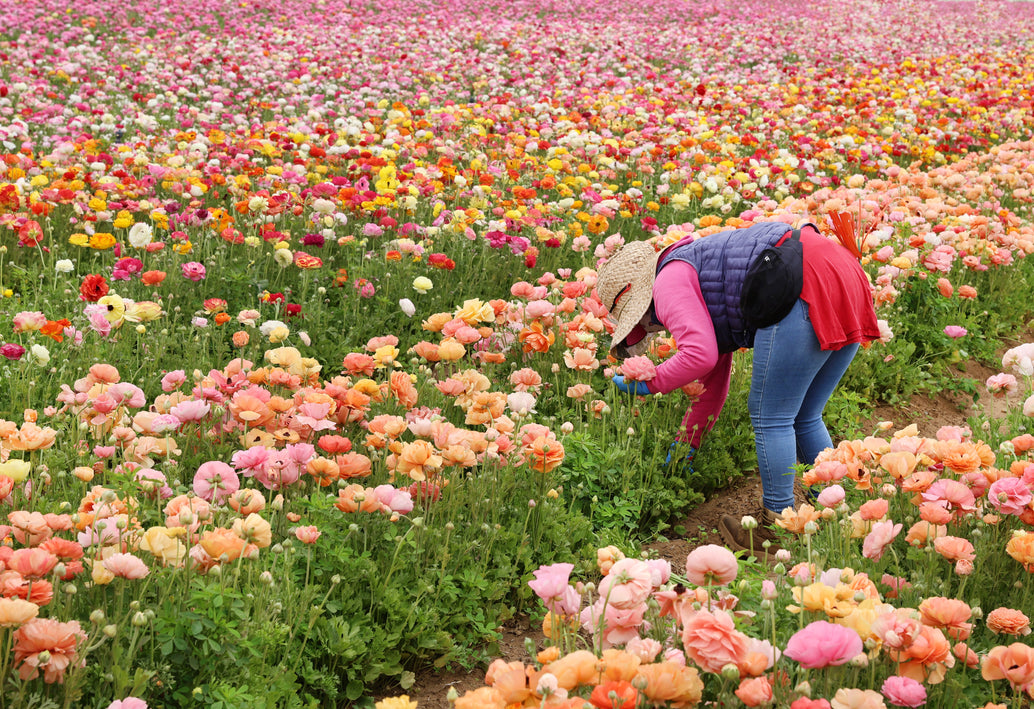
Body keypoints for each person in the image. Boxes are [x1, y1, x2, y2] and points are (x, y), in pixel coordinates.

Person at [595, 219, 880, 554]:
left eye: (638, 321)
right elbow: (709, 385)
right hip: (840, 270)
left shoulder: (668, 281)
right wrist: (685, 448)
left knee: (770, 416)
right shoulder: (696, 271)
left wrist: (650, 383)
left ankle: (776, 528)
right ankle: (842, 515)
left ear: (641, 304)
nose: (648, 328)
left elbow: (699, 355)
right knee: (805, 415)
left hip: (801, 278)